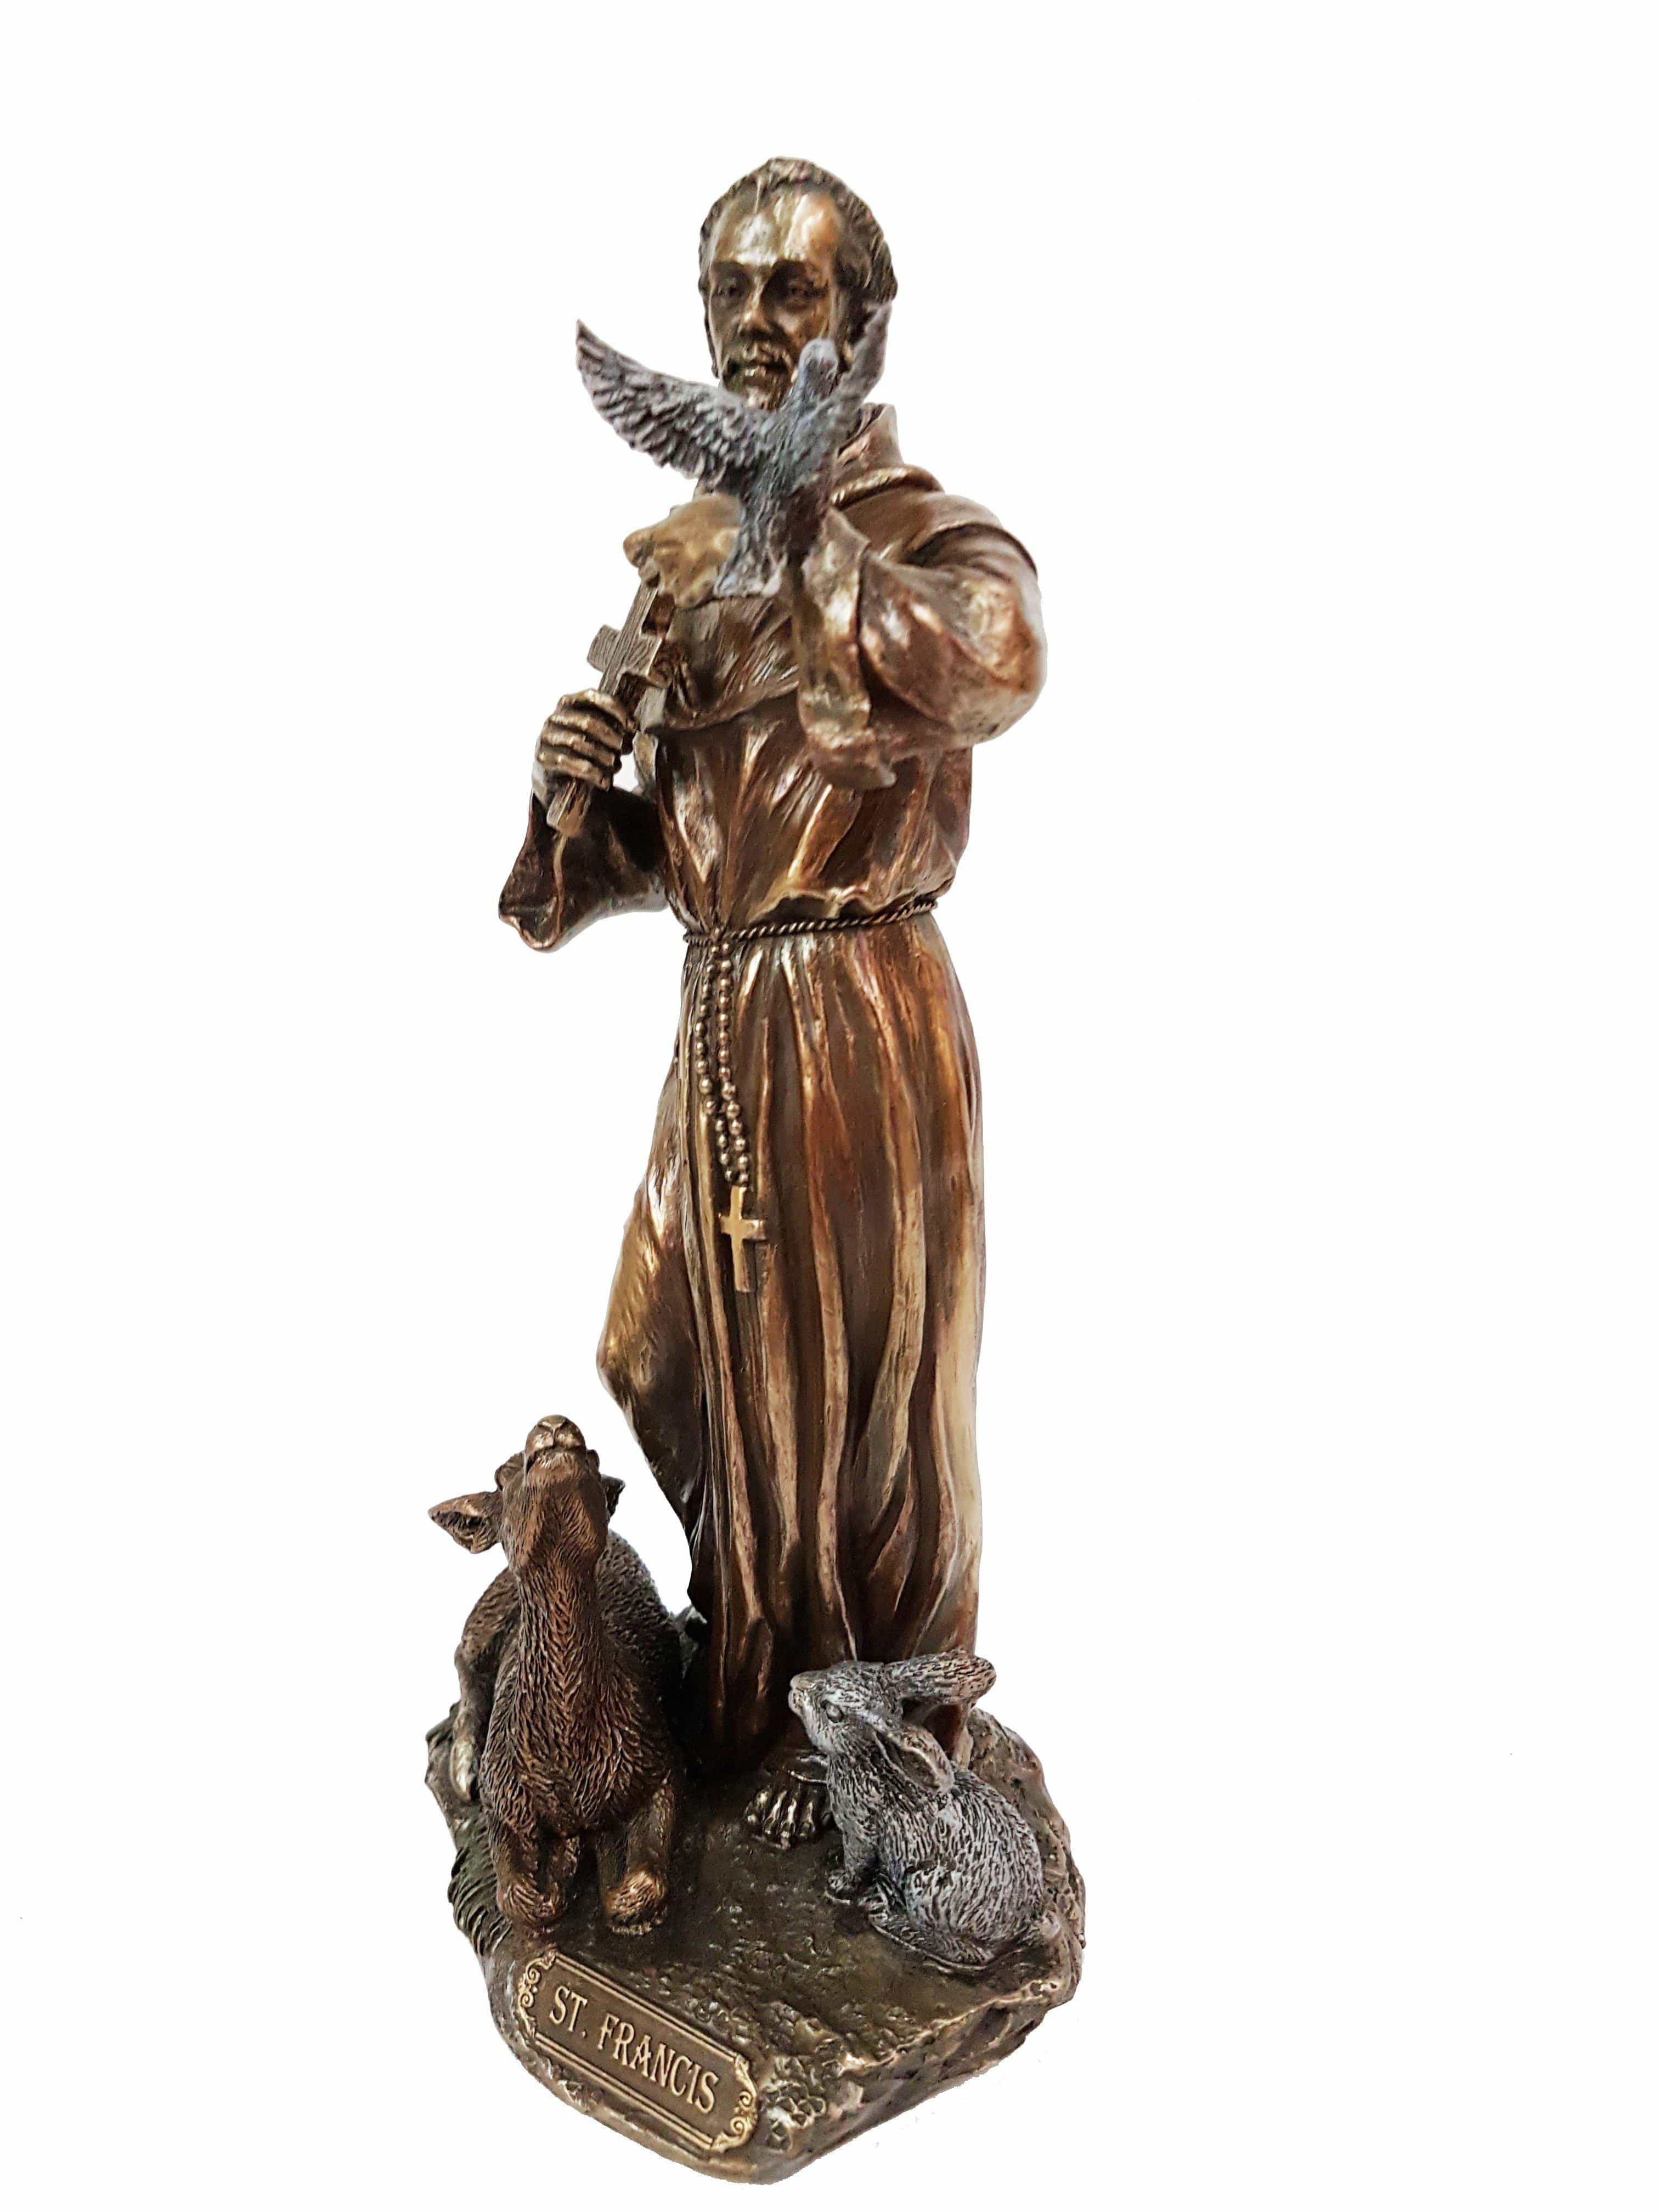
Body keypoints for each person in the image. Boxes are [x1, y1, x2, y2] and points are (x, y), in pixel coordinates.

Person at [501, 158, 1045, 1843]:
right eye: (729, 292)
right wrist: (575, 810)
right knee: (690, 1354)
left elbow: (993, 661)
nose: (753, 321)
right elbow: (696, 854)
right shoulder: (687, 565)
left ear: (858, 326)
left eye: (790, 289)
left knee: (857, 1383)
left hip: (857, 1015)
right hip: (727, 1011)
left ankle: (863, 1722)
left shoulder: (930, 536)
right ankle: (755, 1670)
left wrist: (795, 528)